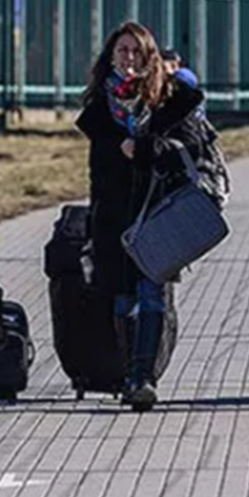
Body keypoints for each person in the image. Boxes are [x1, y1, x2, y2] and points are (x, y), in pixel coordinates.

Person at [76, 22, 215, 412]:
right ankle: (128, 372)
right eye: (122, 51)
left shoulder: (171, 99)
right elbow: (99, 165)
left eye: (137, 52)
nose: (130, 59)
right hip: (115, 215)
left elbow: (192, 149)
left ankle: (143, 377)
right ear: (111, 57)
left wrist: (147, 148)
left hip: (158, 211)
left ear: (150, 56)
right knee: (122, 298)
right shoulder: (100, 108)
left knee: (151, 291)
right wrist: (116, 151)